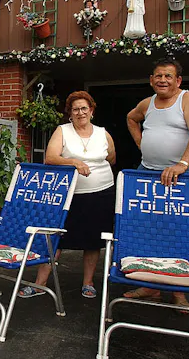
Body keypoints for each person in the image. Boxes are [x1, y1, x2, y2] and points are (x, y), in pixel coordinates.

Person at [125, 57, 189, 311]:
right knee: (147, 230)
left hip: (180, 177)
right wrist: (142, 144)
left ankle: (179, 291)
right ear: (151, 80)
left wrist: (182, 164)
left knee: (178, 233)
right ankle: (150, 286)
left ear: (178, 80)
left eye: (168, 76)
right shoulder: (147, 103)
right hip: (147, 174)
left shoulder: (187, 99)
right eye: (158, 76)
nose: (162, 80)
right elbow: (131, 118)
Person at [18, 91, 117, 299]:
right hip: (68, 194)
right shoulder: (63, 131)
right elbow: (51, 157)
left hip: (101, 193)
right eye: (75, 109)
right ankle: (39, 283)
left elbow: (111, 158)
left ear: (91, 110)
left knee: (93, 239)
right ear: (70, 113)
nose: (80, 112)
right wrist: (73, 162)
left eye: (84, 108)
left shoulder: (103, 133)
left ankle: (88, 283)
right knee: (55, 237)